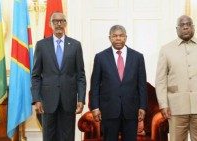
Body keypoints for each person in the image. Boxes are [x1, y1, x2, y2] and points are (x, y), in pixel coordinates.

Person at [155, 15, 197, 141]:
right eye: (182, 25)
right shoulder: (166, 50)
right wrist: (163, 105)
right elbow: (160, 81)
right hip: (176, 108)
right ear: (177, 29)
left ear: (193, 27)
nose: (185, 27)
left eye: (188, 24)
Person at [31, 12, 86, 141]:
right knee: (49, 137)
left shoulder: (75, 45)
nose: (59, 24)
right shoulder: (41, 45)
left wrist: (81, 99)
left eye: (61, 21)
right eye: (55, 21)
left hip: (69, 100)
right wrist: (36, 99)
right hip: (48, 101)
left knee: (67, 136)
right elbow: (36, 76)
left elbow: (80, 75)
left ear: (66, 23)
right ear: (51, 24)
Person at [90, 25, 147, 141]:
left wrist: (143, 106)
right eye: (114, 36)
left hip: (131, 110)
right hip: (109, 110)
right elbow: (94, 84)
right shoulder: (100, 57)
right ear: (109, 38)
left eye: (121, 36)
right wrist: (95, 107)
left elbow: (142, 85)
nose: (118, 38)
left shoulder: (138, 57)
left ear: (126, 37)